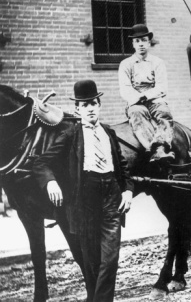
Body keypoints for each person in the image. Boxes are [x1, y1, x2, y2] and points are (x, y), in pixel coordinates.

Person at [33, 80, 134, 302]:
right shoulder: (71, 135)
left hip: (111, 197)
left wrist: (128, 191)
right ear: (78, 109)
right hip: (85, 199)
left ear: (99, 106)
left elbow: (123, 169)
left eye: (93, 104)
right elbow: (41, 163)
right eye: (85, 105)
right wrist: (50, 182)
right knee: (91, 262)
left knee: (110, 258)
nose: (90, 108)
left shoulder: (108, 132)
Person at [118, 24, 175, 162]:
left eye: (144, 40)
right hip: (135, 101)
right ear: (133, 44)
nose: (141, 44)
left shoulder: (157, 62)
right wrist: (138, 98)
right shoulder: (126, 64)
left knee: (164, 112)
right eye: (137, 41)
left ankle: (161, 147)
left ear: (149, 42)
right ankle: (151, 149)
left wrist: (146, 96)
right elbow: (125, 89)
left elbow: (162, 87)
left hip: (154, 99)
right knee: (137, 114)